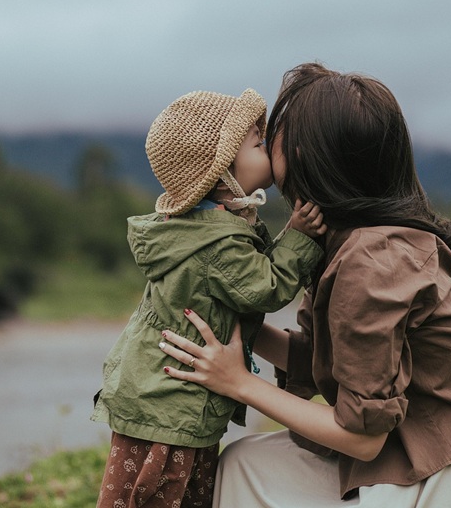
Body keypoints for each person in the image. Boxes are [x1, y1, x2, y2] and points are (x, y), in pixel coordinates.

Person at [159, 63, 451, 507]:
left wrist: (239, 383)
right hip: (415, 449)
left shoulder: (372, 259)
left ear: (304, 155)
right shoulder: (351, 240)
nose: (264, 142)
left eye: (271, 136)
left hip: (447, 474)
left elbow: (363, 438)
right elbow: (328, 359)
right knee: (245, 464)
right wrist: (236, 321)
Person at [91, 87, 326, 508]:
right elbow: (265, 287)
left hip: (164, 399)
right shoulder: (217, 241)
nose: (267, 148)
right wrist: (300, 238)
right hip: (169, 408)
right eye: (257, 144)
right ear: (222, 176)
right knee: (165, 495)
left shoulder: (210, 225)